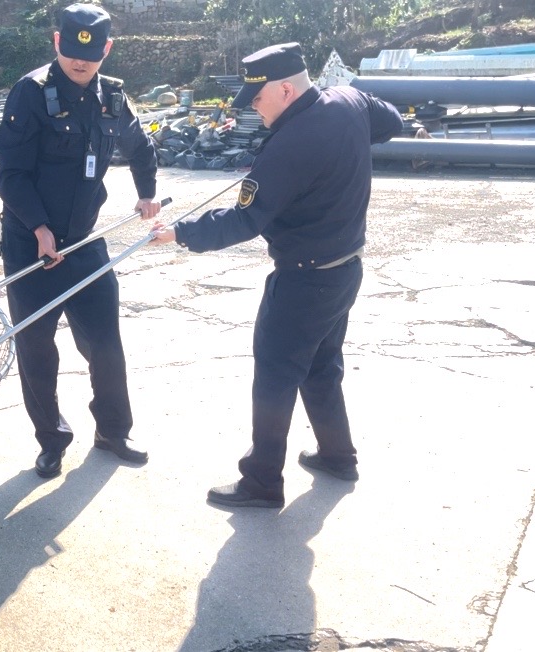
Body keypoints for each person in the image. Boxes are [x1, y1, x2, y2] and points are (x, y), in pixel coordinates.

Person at [148, 42, 404, 508]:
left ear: (285, 90)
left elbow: (245, 220)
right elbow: (392, 122)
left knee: (275, 376)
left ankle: (262, 482)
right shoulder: (348, 101)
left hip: (304, 280)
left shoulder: (289, 146)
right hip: (345, 269)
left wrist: (180, 233)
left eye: (258, 98)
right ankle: (338, 456)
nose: (253, 109)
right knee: (321, 366)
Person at [0, 3, 161, 479]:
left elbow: (140, 146)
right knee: (36, 348)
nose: (79, 62)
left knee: (105, 342)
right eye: (70, 52)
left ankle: (113, 431)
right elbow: (10, 174)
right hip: (31, 244)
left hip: (85, 242)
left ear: (107, 49)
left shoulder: (113, 97)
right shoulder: (30, 93)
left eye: (90, 55)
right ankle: (51, 440)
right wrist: (39, 227)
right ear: (56, 43)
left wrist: (147, 192)